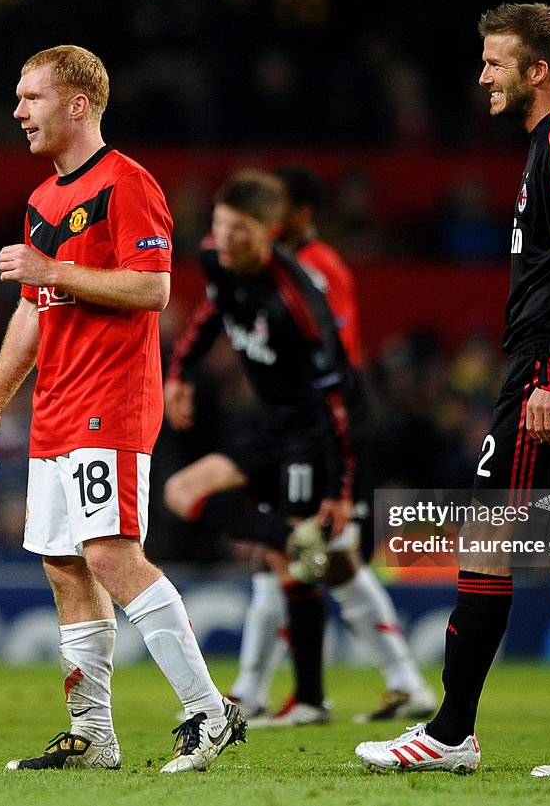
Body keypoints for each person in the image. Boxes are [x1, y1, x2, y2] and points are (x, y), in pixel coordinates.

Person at [356, 3, 550, 778]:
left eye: (495, 62)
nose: (482, 76)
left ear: (537, 71)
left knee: (487, 541)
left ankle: (451, 731)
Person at [0, 45, 245, 774]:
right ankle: (94, 737)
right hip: (54, 405)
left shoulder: (127, 183)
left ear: (77, 104)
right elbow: (32, 313)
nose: (18, 111)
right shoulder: (42, 200)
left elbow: (153, 289)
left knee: (111, 553)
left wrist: (52, 269)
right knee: (64, 566)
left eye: (31, 98)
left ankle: (209, 711)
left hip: (110, 400)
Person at [163, 170, 433, 728]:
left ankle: (293, 694)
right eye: (219, 224)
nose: (224, 237)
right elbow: (211, 312)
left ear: (272, 229)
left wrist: (338, 485)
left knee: (316, 561)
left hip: (319, 431)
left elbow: (336, 387)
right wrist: (180, 373)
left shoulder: (303, 291)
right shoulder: (218, 258)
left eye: (239, 228)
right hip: (272, 424)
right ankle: (289, 690)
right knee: (191, 496)